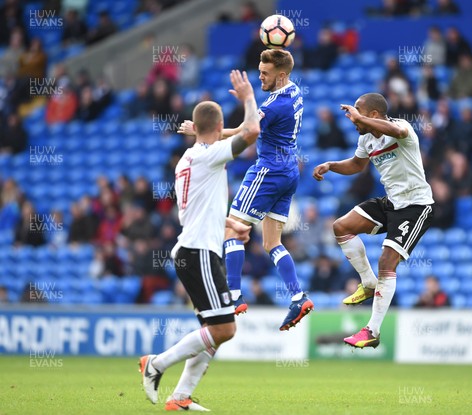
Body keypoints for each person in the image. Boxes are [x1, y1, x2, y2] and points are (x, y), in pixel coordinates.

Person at [139, 69, 259, 411]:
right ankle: (155, 364)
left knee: (213, 326)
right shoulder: (210, 156)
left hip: (194, 249)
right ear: (218, 129)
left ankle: (180, 398)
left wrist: (232, 226)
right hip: (198, 253)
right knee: (225, 329)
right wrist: (249, 98)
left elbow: (202, 207)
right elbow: (252, 131)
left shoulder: (187, 160)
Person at [180, 49, 313, 331]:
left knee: (232, 229)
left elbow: (246, 129)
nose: (260, 77)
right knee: (271, 243)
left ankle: (234, 294)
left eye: (265, 73)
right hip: (289, 170)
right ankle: (298, 297)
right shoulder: (295, 92)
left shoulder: (275, 105)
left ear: (282, 75)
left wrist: (202, 132)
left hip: (269, 170)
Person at [312, 93, 435, 348]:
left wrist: (360, 117)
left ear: (375, 114)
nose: (353, 119)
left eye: (358, 112)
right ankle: (368, 283)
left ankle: (372, 330)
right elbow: (357, 165)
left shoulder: (402, 127)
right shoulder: (366, 139)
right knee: (341, 227)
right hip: (391, 202)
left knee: (387, 261)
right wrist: (331, 165)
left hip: (415, 206)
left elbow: (396, 131)